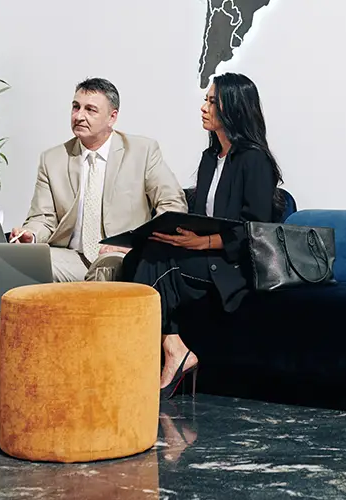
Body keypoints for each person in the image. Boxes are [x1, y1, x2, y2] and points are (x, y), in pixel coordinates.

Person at [123, 73, 284, 399]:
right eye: (206, 100)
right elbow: (203, 217)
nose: (204, 108)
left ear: (234, 108)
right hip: (203, 256)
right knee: (137, 257)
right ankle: (173, 347)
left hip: (233, 266)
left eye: (212, 101)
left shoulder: (254, 161)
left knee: (159, 265)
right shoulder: (210, 159)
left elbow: (256, 230)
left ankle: (159, 356)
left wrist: (204, 242)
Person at [10, 78, 188, 282]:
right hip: (72, 256)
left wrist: (137, 243)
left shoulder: (142, 151)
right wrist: (30, 235)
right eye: (76, 107)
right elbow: (43, 217)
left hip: (121, 254)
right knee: (20, 263)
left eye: (90, 110)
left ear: (112, 117)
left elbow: (173, 204)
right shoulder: (52, 159)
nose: (79, 116)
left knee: (106, 267)